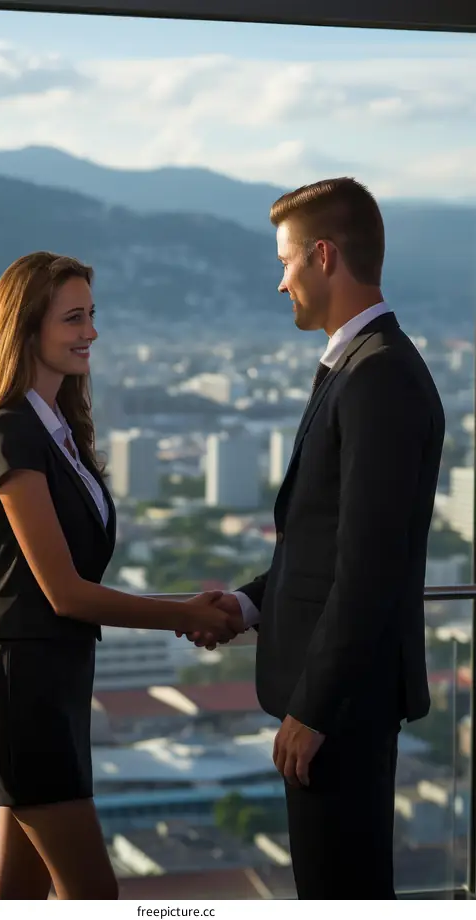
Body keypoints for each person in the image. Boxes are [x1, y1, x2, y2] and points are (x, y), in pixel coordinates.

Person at [182, 178, 445, 899]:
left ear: (324, 256)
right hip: (340, 703)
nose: (280, 282)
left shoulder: (378, 377)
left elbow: (369, 568)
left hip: (342, 710)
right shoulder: (362, 367)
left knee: (342, 892)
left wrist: (315, 710)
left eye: (287, 261)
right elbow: (331, 547)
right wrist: (248, 603)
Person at [0, 251, 237, 900]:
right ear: (25, 328)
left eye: (92, 315)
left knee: (18, 899)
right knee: (94, 897)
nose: (92, 333)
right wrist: (185, 614)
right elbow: (64, 592)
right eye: (74, 318)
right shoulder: (9, 434)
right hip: (26, 694)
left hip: (52, 687)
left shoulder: (58, 434)